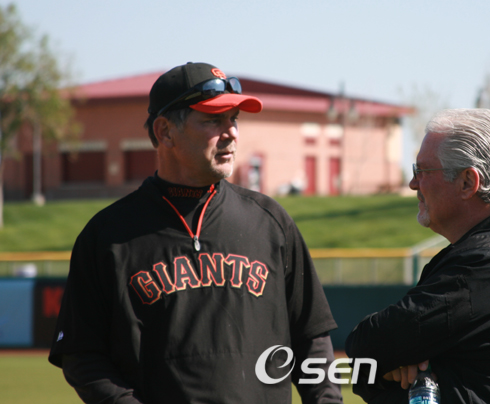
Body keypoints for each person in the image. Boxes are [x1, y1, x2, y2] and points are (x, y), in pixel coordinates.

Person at [49, 62, 343, 404]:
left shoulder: (270, 222)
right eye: (213, 120)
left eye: (234, 119)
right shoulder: (108, 235)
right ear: (165, 132)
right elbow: (82, 356)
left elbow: (312, 340)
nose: (231, 132)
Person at [345, 108, 490, 403]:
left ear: (468, 182)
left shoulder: (487, 263)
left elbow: (366, 346)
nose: (413, 183)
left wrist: (409, 368)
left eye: (422, 171)